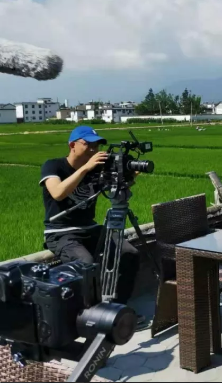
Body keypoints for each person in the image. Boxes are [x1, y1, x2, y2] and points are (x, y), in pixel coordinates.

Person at [40, 126, 143, 318]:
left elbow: (115, 187)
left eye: (96, 145)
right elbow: (58, 193)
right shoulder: (53, 166)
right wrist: (86, 168)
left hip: (90, 227)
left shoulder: (98, 168)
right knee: (85, 264)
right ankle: (89, 316)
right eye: (88, 144)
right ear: (72, 145)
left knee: (130, 253)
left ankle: (116, 312)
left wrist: (128, 174)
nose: (93, 149)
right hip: (62, 232)